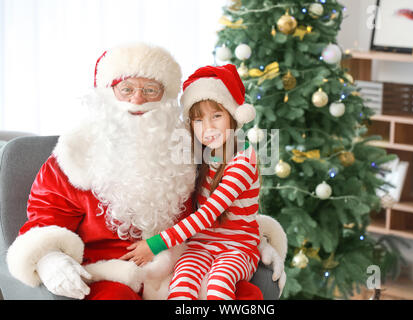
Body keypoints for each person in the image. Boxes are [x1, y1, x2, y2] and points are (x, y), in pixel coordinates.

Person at [6, 42, 287, 300]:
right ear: (106, 95)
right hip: (112, 274)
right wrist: (48, 258)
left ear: (167, 98)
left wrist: (255, 242)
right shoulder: (75, 156)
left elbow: (216, 206)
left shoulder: (191, 149)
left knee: (247, 295)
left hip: (181, 264)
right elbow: (46, 218)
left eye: (150, 90)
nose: (138, 100)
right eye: (126, 89)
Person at [121, 64, 262, 300]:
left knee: (218, 284)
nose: (208, 128)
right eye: (199, 120)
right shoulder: (201, 153)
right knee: (181, 285)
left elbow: (207, 214)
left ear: (234, 116)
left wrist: (154, 245)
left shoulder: (243, 161)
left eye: (217, 116)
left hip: (238, 247)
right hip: (200, 244)